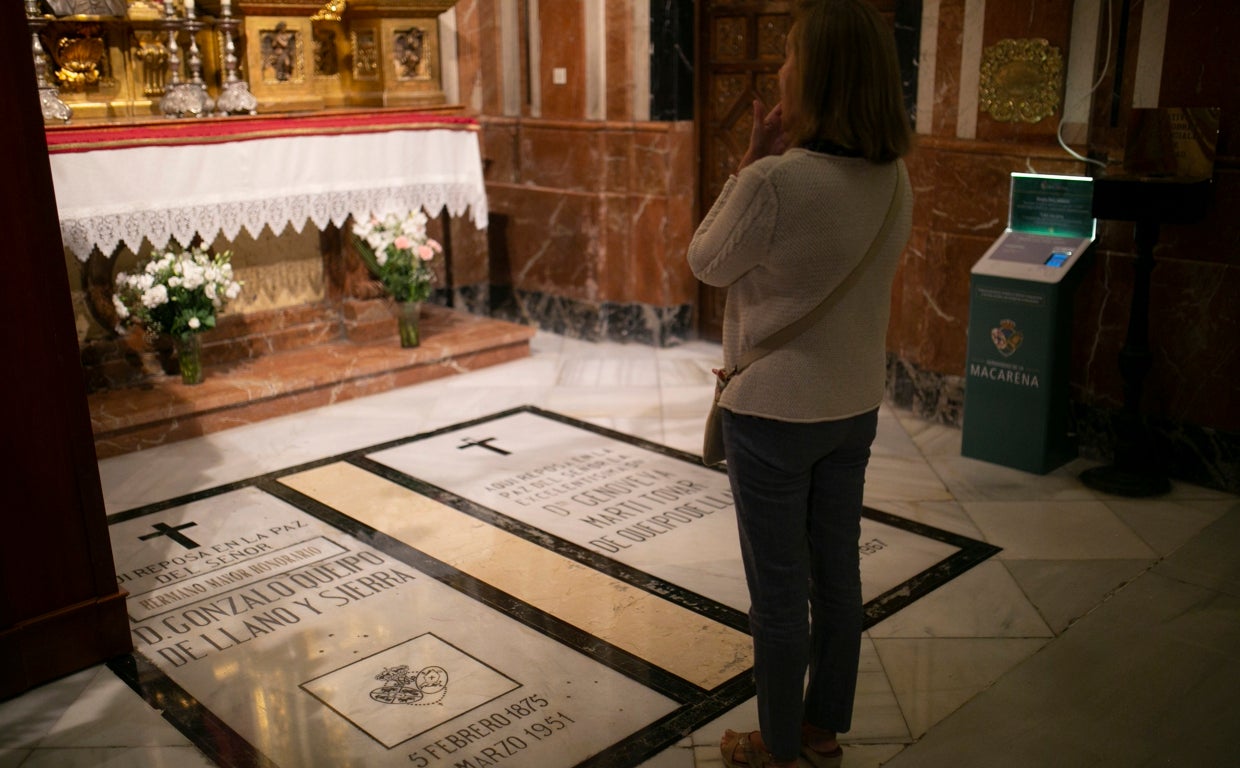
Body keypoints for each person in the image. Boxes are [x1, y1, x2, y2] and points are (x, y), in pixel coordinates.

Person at [686, 1, 913, 766]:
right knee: (837, 579)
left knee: (779, 596)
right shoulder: (894, 179)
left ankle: (777, 749)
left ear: (816, 75)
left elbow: (706, 262)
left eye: (788, 57)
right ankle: (820, 731)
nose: (778, 70)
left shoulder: (778, 181)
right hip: (852, 408)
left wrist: (749, 161)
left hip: (775, 416)